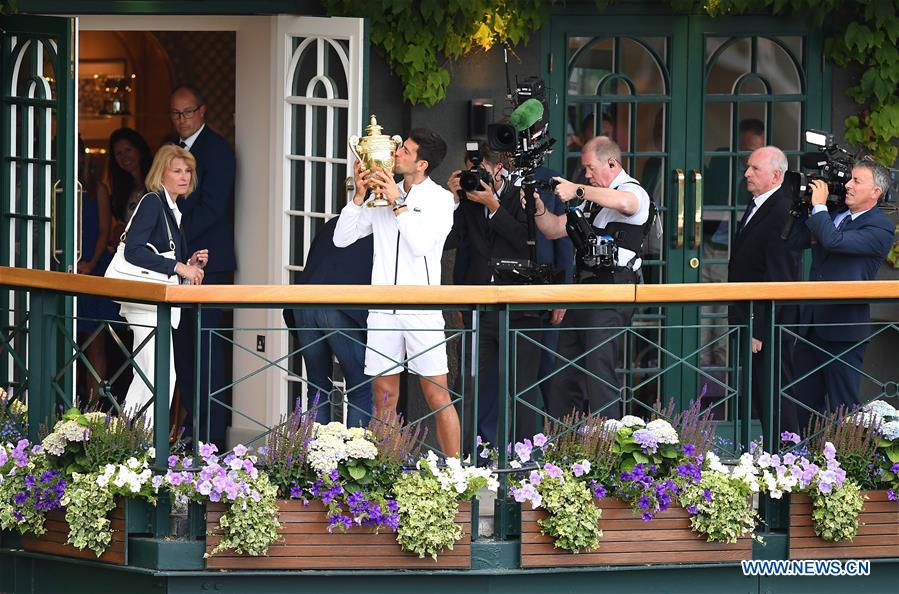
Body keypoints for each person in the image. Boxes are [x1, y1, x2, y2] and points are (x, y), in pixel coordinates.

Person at [333, 129, 461, 457]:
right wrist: (359, 196)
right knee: (384, 401)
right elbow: (341, 239)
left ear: (422, 164)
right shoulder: (381, 193)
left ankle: (458, 474)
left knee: (437, 397)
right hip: (382, 309)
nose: (396, 154)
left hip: (422, 310)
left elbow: (420, 245)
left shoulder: (441, 200)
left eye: (405, 150)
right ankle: (384, 475)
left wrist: (397, 203)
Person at [531, 136, 652, 419]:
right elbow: (553, 229)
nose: (586, 175)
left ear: (611, 162)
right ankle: (564, 448)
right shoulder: (592, 200)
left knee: (599, 371)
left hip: (612, 291)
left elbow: (625, 203)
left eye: (590, 167)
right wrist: (536, 204)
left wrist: (577, 190)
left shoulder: (632, 190)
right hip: (584, 291)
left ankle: (610, 449)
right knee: (563, 374)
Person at [445, 144, 543, 445]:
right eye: (470, 172)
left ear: (497, 169)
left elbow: (527, 242)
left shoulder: (521, 195)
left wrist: (493, 206)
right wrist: (453, 200)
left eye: (480, 172)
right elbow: (448, 240)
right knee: (470, 381)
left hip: (519, 306)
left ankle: (527, 456)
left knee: (521, 385)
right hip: (480, 305)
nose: (475, 178)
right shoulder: (468, 202)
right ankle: (472, 453)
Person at [786, 159, 895, 431]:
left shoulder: (880, 227)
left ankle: (846, 468)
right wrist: (804, 206)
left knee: (842, 407)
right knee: (801, 404)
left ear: (875, 192)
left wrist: (820, 207)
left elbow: (834, 241)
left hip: (843, 327)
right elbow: (793, 240)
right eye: (850, 179)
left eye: (857, 181)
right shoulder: (835, 214)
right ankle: (801, 463)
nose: (847, 185)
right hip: (812, 324)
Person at [120, 144, 208, 425]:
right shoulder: (152, 202)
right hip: (145, 302)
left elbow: (164, 257)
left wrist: (189, 264)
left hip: (155, 303)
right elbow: (133, 250)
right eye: (177, 171)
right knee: (157, 376)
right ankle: (137, 447)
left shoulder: (171, 209)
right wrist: (177, 266)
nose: (184, 176)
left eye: (188, 171)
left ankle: (129, 443)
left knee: (152, 377)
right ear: (161, 174)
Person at [169, 84, 236, 446]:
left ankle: (211, 441)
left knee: (208, 354)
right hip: (178, 265)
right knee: (183, 352)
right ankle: (191, 433)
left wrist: (172, 235)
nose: (181, 120)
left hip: (211, 264)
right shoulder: (170, 150)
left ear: (203, 111)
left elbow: (213, 209)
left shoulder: (218, 151)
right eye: (176, 114)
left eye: (188, 113)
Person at [726, 146, 801, 432]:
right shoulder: (760, 202)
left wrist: (758, 327)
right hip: (751, 315)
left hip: (769, 323)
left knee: (775, 395)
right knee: (760, 393)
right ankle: (773, 455)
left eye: (754, 169)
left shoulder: (782, 209)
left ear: (776, 175)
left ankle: (789, 457)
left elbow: (778, 275)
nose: (747, 173)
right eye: (748, 167)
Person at [283, 216, 373, 427]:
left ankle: (315, 454)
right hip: (339, 307)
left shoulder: (336, 222)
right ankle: (357, 457)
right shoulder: (380, 227)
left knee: (316, 387)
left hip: (304, 304)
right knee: (360, 387)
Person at [76, 137, 117, 402]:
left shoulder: (97, 189)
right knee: (65, 342)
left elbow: (104, 230)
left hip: (93, 268)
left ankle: (94, 407)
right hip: (64, 271)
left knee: (95, 343)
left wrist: (91, 262)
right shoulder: (53, 186)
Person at [108, 127, 153, 230]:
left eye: (128, 150)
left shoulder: (158, 184)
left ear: (140, 150)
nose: (124, 157)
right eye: (119, 153)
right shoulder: (121, 192)